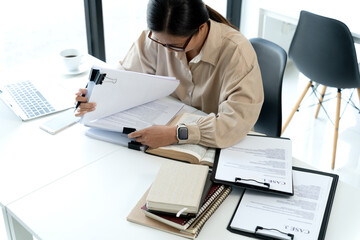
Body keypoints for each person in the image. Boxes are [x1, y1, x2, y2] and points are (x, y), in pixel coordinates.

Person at [75, 0, 263, 149]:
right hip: (162, 130)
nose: (169, 51)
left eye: (176, 45)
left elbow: (234, 123)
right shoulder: (156, 39)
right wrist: (95, 94)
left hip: (219, 143)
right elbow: (125, 78)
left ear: (202, 29)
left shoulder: (237, 52)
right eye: (159, 42)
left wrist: (176, 134)